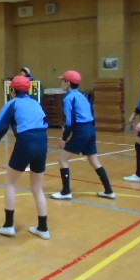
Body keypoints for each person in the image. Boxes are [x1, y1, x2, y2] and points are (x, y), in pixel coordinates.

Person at [0, 75, 50, 240]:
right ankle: (43, 228)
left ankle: (8, 226)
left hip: (26, 143)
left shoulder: (12, 104)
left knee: (11, 183)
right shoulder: (36, 103)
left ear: (12, 90)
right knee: (37, 188)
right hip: (42, 143)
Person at [51, 70, 116, 200]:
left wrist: (64, 138)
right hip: (90, 129)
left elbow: (69, 122)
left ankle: (66, 192)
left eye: (62, 81)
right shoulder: (82, 96)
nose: (61, 83)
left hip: (81, 131)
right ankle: (109, 191)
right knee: (94, 161)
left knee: (62, 159)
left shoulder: (68, 98)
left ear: (68, 83)